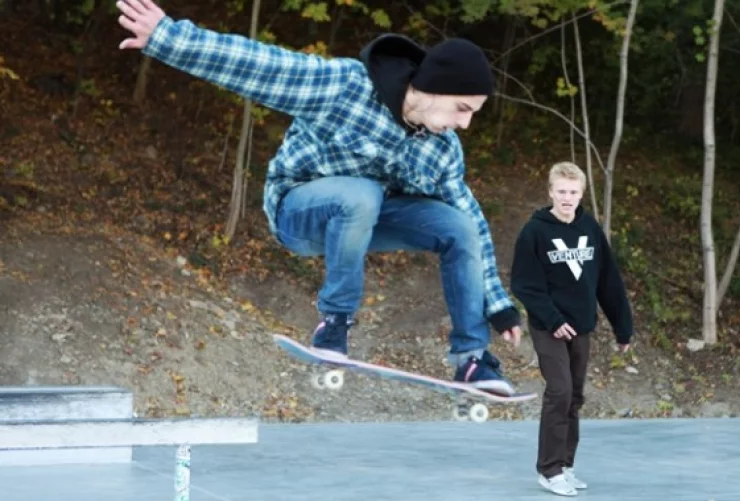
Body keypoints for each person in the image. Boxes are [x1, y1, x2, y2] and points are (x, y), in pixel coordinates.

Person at [115, 0, 523, 395]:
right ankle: (335, 322)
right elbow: (260, 66)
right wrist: (167, 37)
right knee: (360, 194)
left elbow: (472, 217)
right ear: (436, 88)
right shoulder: (346, 87)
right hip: (298, 214)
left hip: (364, 221)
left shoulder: (442, 148)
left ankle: (471, 358)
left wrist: (498, 303)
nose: (465, 125)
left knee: (457, 224)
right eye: (463, 109)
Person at [510, 162, 634, 496]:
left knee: (575, 396)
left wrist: (623, 328)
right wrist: (552, 319)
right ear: (551, 192)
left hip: (580, 326)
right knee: (560, 390)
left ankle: (565, 465)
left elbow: (608, 281)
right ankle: (548, 470)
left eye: (573, 192)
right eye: (561, 192)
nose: (567, 198)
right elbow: (524, 284)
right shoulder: (535, 232)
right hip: (548, 327)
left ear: (581, 194)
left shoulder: (589, 228)